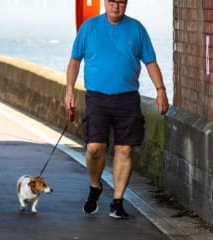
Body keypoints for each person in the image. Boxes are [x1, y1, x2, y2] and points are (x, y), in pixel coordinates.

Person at [64, 0, 169, 219]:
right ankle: (95, 186)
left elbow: (150, 62)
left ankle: (118, 201)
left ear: (126, 4)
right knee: (94, 147)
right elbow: (75, 60)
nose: (116, 6)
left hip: (127, 98)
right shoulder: (89, 27)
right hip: (97, 98)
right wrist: (69, 90)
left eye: (121, 2)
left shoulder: (137, 28)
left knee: (125, 150)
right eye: (112, 2)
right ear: (105, 3)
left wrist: (161, 90)